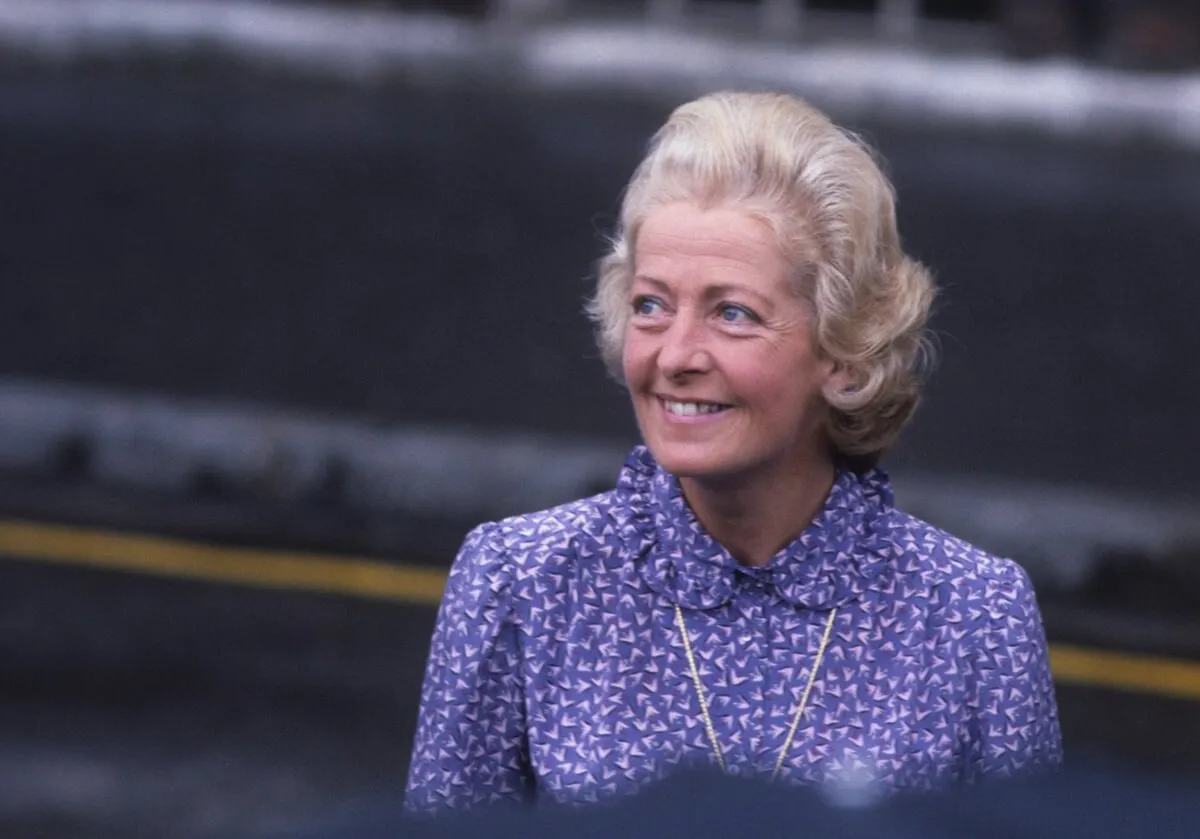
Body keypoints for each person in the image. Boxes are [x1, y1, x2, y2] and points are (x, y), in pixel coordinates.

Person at [404, 91, 1062, 814]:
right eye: (651, 304)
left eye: (732, 313)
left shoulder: (972, 614)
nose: (676, 355)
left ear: (844, 353)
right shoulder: (519, 583)